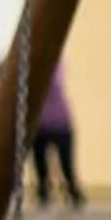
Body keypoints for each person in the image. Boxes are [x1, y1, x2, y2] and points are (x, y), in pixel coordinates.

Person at [31, 58, 83, 209]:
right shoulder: (29, 66)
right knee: (41, 169)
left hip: (61, 123)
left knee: (67, 167)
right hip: (40, 125)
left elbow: (56, 83)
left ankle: (73, 192)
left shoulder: (56, 64)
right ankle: (44, 193)